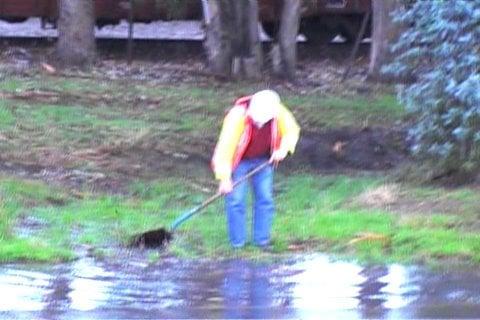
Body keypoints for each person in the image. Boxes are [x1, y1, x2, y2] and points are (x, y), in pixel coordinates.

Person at [211, 89, 300, 248]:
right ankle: (238, 243)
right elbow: (224, 148)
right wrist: (224, 178)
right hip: (239, 162)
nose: (260, 123)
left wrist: (282, 150)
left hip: (264, 160)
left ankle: (262, 241)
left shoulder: (278, 110)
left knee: (265, 199)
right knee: (236, 200)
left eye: (263, 121)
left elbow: (292, 131)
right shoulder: (237, 116)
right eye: (258, 120)